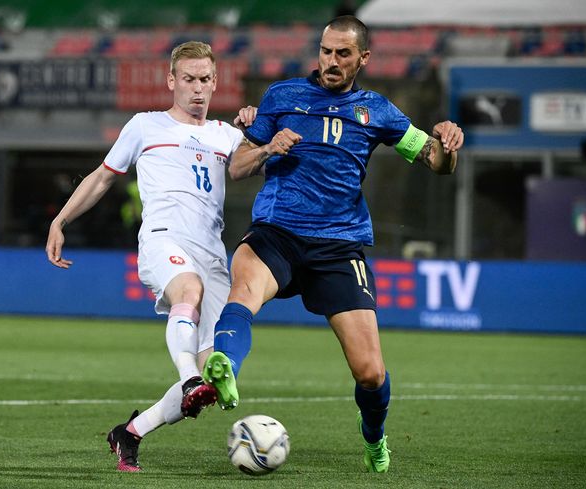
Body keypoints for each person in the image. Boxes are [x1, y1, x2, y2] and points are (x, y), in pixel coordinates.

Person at [202, 15, 464, 474]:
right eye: (326, 51)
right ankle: (225, 366)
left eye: (343, 54)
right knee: (243, 289)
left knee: (370, 372)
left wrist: (449, 142)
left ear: (363, 58)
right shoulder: (282, 97)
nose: (331, 61)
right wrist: (267, 148)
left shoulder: (377, 110)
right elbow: (239, 167)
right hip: (277, 233)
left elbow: (436, 163)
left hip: (339, 247)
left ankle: (375, 438)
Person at [45, 41, 255, 472]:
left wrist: (257, 130)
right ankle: (187, 375)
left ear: (216, 83)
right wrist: (60, 221)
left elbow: (259, 161)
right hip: (163, 238)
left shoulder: (227, 136)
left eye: (205, 80)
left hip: (212, 252)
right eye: (189, 79)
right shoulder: (145, 126)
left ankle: (131, 432)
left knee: (212, 381)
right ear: (171, 81)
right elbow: (104, 178)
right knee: (188, 292)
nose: (197, 89)